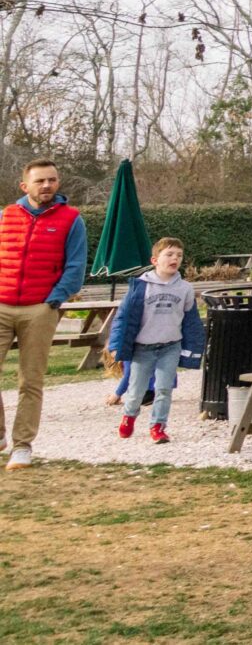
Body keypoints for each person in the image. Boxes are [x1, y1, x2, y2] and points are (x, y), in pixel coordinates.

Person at [0, 160, 87, 468]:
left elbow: (76, 266)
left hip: (40, 308)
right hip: (2, 304)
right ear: (25, 186)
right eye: (40, 181)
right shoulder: (5, 216)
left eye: (52, 179)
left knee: (30, 380)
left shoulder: (71, 219)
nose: (47, 185)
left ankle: (22, 446)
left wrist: (54, 299)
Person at [106, 238, 203, 445]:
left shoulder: (185, 288)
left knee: (164, 388)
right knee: (136, 390)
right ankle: (129, 416)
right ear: (155, 259)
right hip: (143, 348)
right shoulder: (140, 286)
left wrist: (193, 350)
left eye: (179, 255)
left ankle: (158, 426)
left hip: (170, 346)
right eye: (169, 254)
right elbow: (123, 317)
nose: (174, 258)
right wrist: (115, 345)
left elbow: (191, 321)